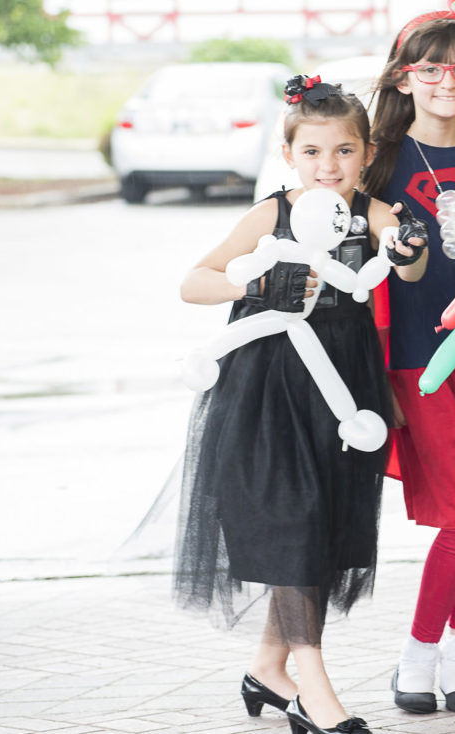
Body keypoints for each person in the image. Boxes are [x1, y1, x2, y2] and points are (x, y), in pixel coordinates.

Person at [174, 74, 428, 734]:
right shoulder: (272, 216)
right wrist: (253, 279)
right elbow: (194, 282)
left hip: (343, 393)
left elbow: (409, 267)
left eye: (344, 151)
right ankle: (314, 691)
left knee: (319, 531)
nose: (328, 166)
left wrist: (410, 248)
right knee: (293, 522)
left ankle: (268, 669)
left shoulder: (374, 214)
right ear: (289, 154)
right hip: (268, 388)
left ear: (367, 153)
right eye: (312, 152)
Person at [360, 3, 455, 715]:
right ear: (403, 78)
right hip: (417, 363)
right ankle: (416, 658)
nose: (449, 81)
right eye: (432, 68)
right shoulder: (375, 162)